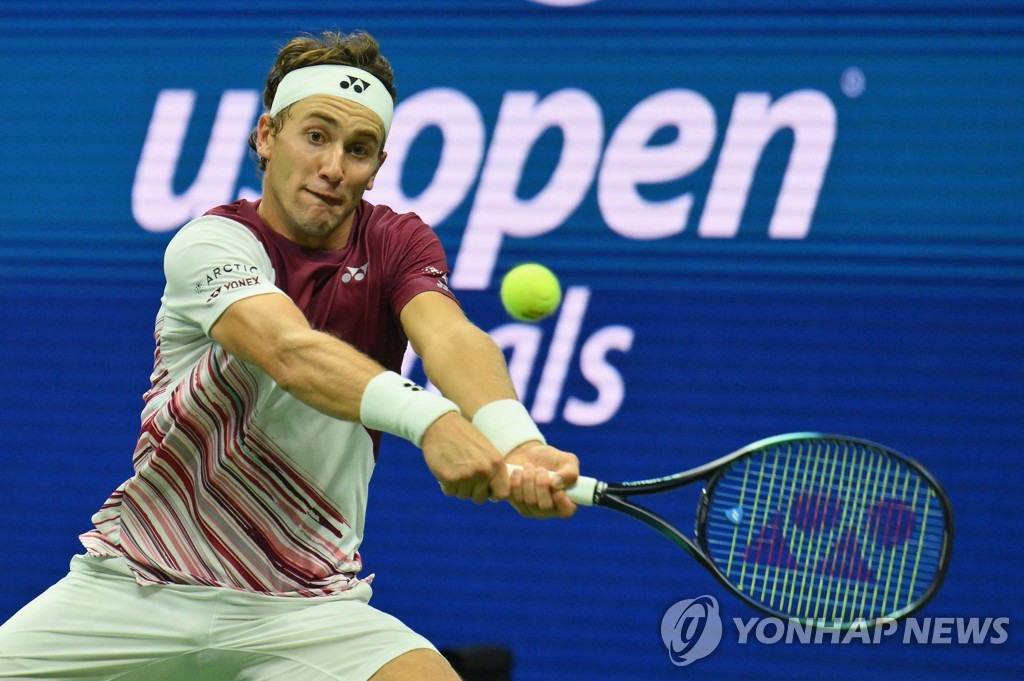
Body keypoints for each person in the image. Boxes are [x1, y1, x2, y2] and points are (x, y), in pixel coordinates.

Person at [0, 30, 579, 680]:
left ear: (378, 165)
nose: (334, 166)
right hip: (137, 587)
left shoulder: (397, 243)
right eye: (316, 135)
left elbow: (449, 336)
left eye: (358, 150)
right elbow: (289, 350)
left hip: (307, 606)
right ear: (267, 136)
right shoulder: (212, 243)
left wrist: (517, 438)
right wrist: (434, 421)